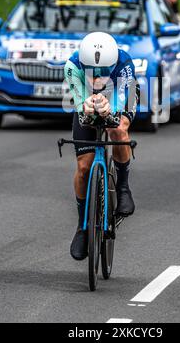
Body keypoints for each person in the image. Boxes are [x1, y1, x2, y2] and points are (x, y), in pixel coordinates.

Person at [64, 32, 139, 261]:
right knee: (84, 167)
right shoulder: (72, 66)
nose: (97, 78)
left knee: (118, 130)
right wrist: (84, 105)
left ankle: (124, 187)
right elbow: (79, 102)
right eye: (92, 71)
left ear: (113, 64)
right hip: (87, 100)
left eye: (104, 72)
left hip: (119, 95)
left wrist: (110, 110)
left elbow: (121, 98)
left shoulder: (124, 64)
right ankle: (82, 227)